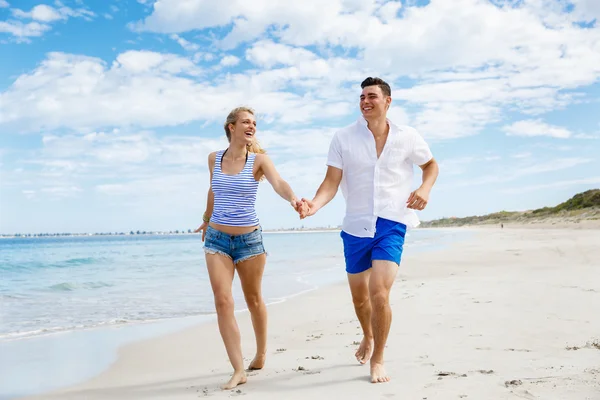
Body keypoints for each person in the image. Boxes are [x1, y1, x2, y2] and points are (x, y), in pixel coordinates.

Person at [298, 77, 439, 383]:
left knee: (379, 294)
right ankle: (368, 335)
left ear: (388, 101)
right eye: (361, 96)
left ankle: (379, 358)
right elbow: (331, 183)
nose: (365, 101)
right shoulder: (343, 138)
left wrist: (425, 188)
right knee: (360, 300)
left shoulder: (408, 136)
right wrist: (314, 206)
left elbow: (431, 166)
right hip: (355, 225)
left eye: (372, 96)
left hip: (392, 220)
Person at [195, 106, 306, 390]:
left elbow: (278, 183)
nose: (252, 126)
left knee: (254, 298)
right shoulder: (213, 158)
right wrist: (207, 220)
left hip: (249, 241)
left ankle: (261, 353)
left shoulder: (259, 160)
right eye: (246, 121)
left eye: (254, 123)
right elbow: (213, 190)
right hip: (217, 239)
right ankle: (237, 368)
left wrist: (294, 199)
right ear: (231, 127)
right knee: (223, 301)